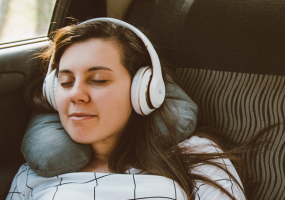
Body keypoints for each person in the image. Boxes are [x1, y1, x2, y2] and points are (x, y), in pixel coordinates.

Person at [6, 18, 246, 200]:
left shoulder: (195, 158)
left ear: (144, 89)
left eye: (98, 79)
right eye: (66, 82)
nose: (75, 95)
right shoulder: (35, 171)